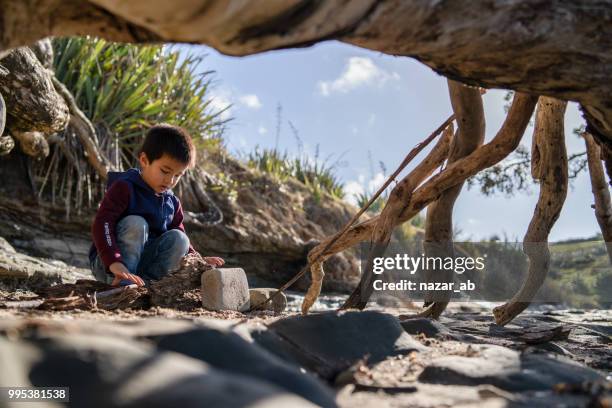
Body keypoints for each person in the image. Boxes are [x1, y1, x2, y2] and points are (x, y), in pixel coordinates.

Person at [88, 124, 224, 287]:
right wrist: (114, 262)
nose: (170, 180)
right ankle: (123, 284)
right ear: (144, 161)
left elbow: (181, 243)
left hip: (144, 267)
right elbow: (102, 223)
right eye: (165, 171)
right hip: (109, 264)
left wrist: (198, 260)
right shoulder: (125, 187)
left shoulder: (172, 203)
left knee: (180, 238)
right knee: (136, 223)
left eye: (177, 175)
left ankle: (150, 285)